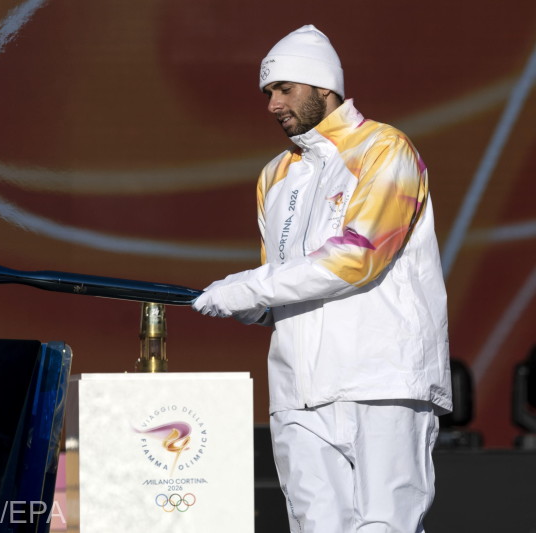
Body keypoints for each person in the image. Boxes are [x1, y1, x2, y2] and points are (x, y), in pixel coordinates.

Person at [192, 25, 452, 532]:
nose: (272, 105)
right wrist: (250, 303)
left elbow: (359, 256)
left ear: (323, 87)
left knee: (386, 525)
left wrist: (248, 287)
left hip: (382, 378)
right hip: (298, 388)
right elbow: (277, 279)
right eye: (268, 93)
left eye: (284, 89)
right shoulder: (275, 174)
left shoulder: (385, 149)